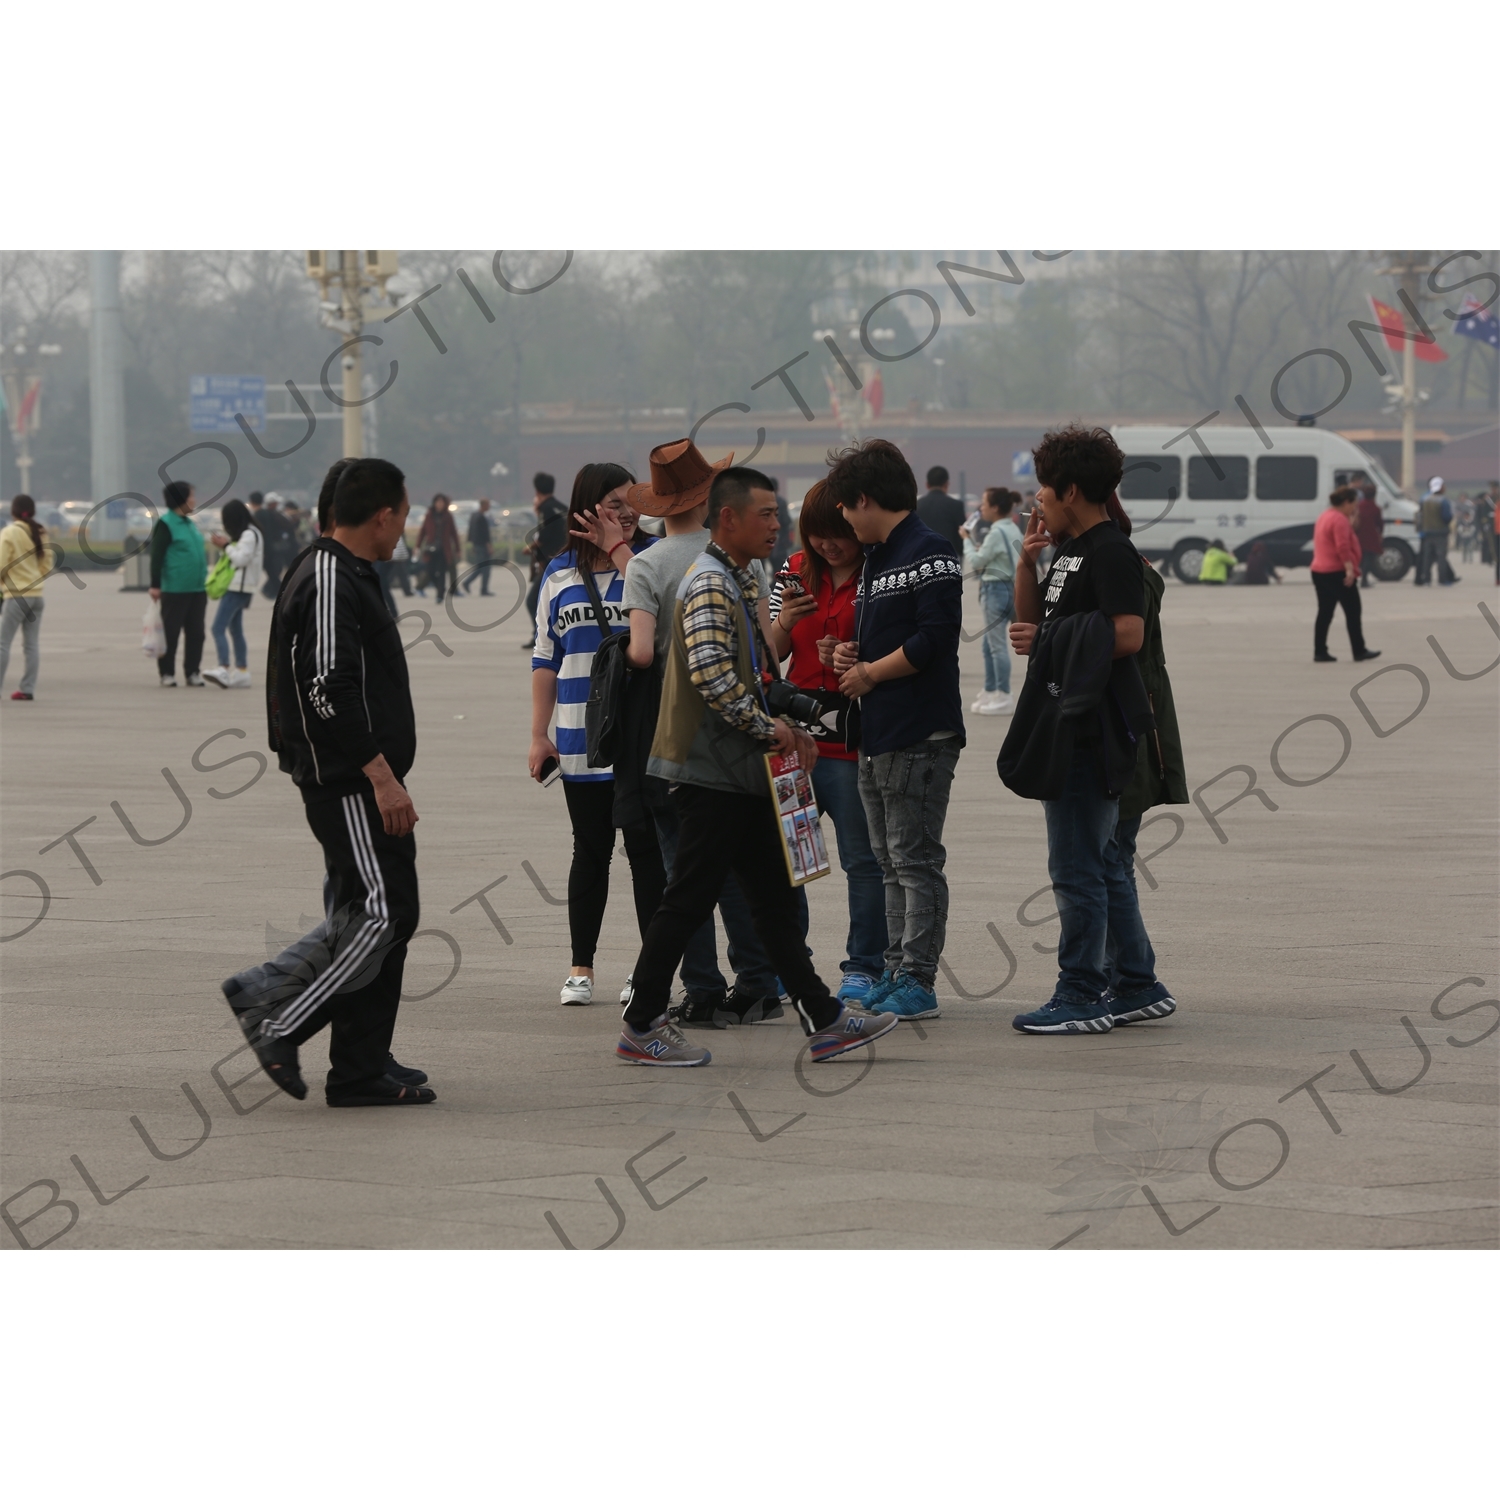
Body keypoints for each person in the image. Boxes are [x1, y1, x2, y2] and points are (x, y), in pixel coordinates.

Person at [617, 465, 902, 1066]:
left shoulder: (740, 577)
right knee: (688, 898)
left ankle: (824, 1017)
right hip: (708, 772)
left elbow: (755, 671)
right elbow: (711, 674)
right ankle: (641, 1022)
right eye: (766, 514)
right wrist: (768, 726)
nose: (778, 525)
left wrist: (787, 716)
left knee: (771, 898)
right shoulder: (710, 583)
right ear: (728, 518)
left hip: (740, 771)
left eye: (778, 513)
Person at [222, 456, 433, 1106]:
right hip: (349, 780)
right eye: (402, 515)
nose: (404, 528)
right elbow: (328, 686)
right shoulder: (331, 577)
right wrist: (380, 776)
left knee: (367, 914)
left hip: (359, 777)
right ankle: (274, 1013)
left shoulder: (345, 572)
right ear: (382, 515)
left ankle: (361, 1065)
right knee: (384, 911)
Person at [623, 438, 791, 1026]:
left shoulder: (647, 564)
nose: (772, 523)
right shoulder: (742, 562)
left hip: (679, 737)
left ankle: (698, 988)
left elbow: (642, 653)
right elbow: (767, 651)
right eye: (766, 513)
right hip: (740, 740)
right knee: (746, 882)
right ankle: (765, 982)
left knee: (683, 878)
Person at [1004, 424, 1149, 1036]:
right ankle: (1137, 981)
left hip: (1090, 730)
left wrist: (1052, 640)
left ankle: (1082, 990)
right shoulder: (1067, 551)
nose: (1035, 498)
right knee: (1102, 863)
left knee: (1076, 868)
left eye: (1042, 487)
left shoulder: (1110, 550)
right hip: (1066, 720)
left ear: (1068, 489)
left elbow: (1128, 633)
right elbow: (1038, 627)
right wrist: (1025, 565)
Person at [825, 438, 966, 1023]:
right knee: (888, 861)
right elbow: (890, 635)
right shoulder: (878, 558)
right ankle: (891, 969)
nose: (844, 520)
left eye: (845, 508)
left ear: (865, 498)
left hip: (919, 733)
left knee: (915, 860)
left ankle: (919, 979)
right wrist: (848, 656)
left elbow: (934, 639)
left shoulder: (929, 552)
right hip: (877, 731)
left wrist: (869, 672)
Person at [529, 463, 668, 1008]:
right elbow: (546, 658)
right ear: (584, 509)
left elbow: (656, 613)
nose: (628, 512)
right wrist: (538, 735)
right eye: (614, 503)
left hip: (642, 737)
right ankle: (581, 967)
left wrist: (619, 551)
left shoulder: (648, 561)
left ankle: (645, 971)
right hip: (578, 736)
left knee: (644, 850)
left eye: (632, 501)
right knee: (590, 850)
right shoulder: (558, 573)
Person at [766, 479, 886, 1004]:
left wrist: (859, 655)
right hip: (796, 742)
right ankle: (792, 964)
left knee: (862, 860)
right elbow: (763, 658)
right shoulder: (792, 572)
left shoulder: (880, 573)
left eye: (837, 536)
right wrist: (783, 623)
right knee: (791, 861)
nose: (828, 547)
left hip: (854, 743)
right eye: (817, 537)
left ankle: (864, 965)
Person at [1103, 521, 1188, 1026]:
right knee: (1114, 856)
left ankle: (1135, 978)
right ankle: (1126, 975)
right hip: (1130, 731)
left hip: (1125, 733)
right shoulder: (1128, 564)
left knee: (1110, 856)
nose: (1038, 509)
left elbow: (1126, 642)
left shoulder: (1120, 567)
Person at [961, 486, 1023, 713]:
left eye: (985, 504)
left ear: (995, 508)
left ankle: (1004, 694)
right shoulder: (1013, 529)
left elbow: (977, 562)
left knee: (996, 646)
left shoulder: (996, 532)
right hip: (1011, 589)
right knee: (988, 645)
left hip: (994, 590)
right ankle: (991, 690)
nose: (981, 508)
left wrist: (966, 540)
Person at [149, 480, 208, 687]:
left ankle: (192, 672)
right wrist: (155, 585)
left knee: (196, 634)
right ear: (181, 499)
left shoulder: (190, 523)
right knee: (170, 633)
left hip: (198, 589)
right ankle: (167, 673)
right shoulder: (166, 524)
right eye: (191, 496)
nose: (194, 500)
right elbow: (157, 556)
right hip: (175, 589)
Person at [1312, 485, 1379, 664]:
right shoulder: (1339, 520)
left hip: (1319, 570)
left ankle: (1320, 651)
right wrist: (1349, 569)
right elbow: (1342, 546)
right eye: (1354, 505)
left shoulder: (1325, 516)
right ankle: (1359, 650)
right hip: (1336, 572)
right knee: (1353, 611)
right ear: (1346, 502)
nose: (1355, 508)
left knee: (1325, 612)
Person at [203, 499, 263, 688]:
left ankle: (223, 667)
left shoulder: (249, 534)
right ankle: (242, 670)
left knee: (217, 627)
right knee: (235, 629)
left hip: (238, 587)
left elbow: (240, 559)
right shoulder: (252, 533)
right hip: (243, 587)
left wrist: (225, 545)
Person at [0, 495, 53, 700]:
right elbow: (46, 565)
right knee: (31, 645)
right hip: (37, 596)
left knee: (3, 643)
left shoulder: (10, 532)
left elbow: (2, 563)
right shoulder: (40, 532)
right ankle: (27, 688)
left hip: (16, 597)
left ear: (13, 512)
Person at [522, 472, 568, 648]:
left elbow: (543, 536)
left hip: (550, 562)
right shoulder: (561, 507)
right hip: (565, 559)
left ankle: (541, 637)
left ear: (536, 490)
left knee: (533, 601)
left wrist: (529, 548)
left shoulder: (545, 508)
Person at [416, 493, 461, 603]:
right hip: (431, 548)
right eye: (438, 502)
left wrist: (458, 548)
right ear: (434, 503)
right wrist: (417, 545)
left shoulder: (448, 516)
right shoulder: (429, 515)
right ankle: (440, 588)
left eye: (442, 502)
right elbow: (423, 531)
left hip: (444, 549)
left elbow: (453, 533)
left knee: (441, 572)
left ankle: (439, 595)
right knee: (430, 571)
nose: (439, 504)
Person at [1414, 477, 1457, 586]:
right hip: (1440, 532)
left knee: (1427, 558)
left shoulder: (1424, 499)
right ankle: (1442, 579)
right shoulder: (1443, 501)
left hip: (1427, 532)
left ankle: (1427, 579)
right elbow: (1446, 517)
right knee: (1441, 557)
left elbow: (1420, 515)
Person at [916, 464, 965, 554]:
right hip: (948, 556)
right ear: (946, 484)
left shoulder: (917, 505)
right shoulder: (956, 505)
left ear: (927, 485)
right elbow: (960, 538)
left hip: (923, 557)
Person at [1355, 483, 1384, 586]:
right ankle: (1364, 580)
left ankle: (1362, 579)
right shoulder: (1375, 508)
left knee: (1362, 558)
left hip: (1358, 535)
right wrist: (1380, 534)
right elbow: (1380, 524)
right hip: (1371, 536)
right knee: (1369, 558)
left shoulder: (1358, 506)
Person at [464, 498, 494, 595]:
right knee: (484, 568)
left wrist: (473, 544)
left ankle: (480, 587)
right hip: (482, 546)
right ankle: (480, 588)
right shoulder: (481, 517)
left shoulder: (474, 516)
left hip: (477, 545)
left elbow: (471, 532)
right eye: (488, 504)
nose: (489, 506)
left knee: (481, 567)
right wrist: (489, 546)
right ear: (483, 505)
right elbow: (483, 534)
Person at [1454, 492, 1477, 564]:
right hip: (1462, 526)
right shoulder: (1458, 505)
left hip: (1469, 529)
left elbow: (1472, 514)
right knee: (1464, 546)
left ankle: (1470, 558)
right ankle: (1463, 556)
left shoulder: (1469, 505)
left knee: (1470, 547)